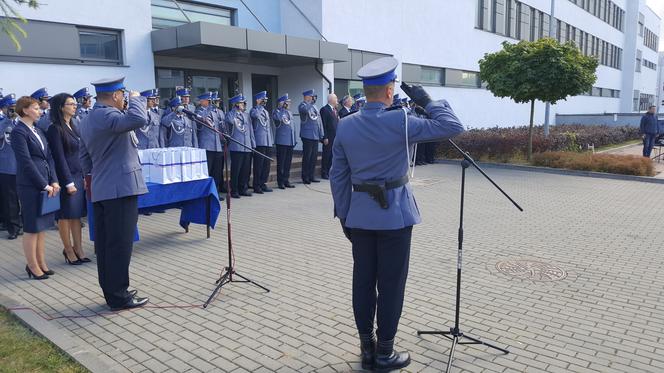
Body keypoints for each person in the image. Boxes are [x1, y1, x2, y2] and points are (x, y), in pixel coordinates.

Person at [330, 57, 464, 371]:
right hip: (395, 217)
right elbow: (453, 127)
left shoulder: (346, 124)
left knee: (362, 283)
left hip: (359, 217)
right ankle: (385, 352)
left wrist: (345, 215)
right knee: (391, 284)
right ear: (390, 91)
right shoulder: (401, 120)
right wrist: (428, 101)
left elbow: (337, 175)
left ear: (366, 90)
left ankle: (366, 349)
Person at [79, 77, 149, 310]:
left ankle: (114, 291)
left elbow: (84, 157)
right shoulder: (108, 115)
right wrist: (138, 99)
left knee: (108, 244)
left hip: (105, 187)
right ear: (117, 95)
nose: (125, 99)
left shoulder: (90, 118)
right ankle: (119, 297)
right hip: (119, 188)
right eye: (124, 95)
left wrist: (99, 175)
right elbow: (139, 118)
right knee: (119, 244)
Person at [11, 96, 61, 280]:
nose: (40, 111)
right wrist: (44, 184)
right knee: (32, 227)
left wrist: (54, 180)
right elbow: (25, 162)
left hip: (46, 182)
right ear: (25, 110)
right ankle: (32, 266)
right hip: (31, 185)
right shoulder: (18, 132)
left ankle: (41, 263)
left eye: (40, 108)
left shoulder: (38, 130)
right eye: (36, 108)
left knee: (42, 226)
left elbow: (49, 157)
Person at [45, 93, 90, 265]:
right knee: (64, 215)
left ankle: (79, 248)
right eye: (70, 104)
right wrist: (68, 182)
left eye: (74, 103)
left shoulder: (73, 124)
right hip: (66, 178)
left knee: (76, 215)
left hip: (78, 174)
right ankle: (69, 250)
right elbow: (59, 157)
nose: (74, 106)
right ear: (61, 107)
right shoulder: (55, 128)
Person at [0, 93, 22, 239]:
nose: (13, 111)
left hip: (23, 166)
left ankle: (24, 223)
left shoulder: (22, 122)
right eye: (11, 108)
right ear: (5, 108)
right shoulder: (3, 122)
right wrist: (8, 120)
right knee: (10, 200)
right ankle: (13, 228)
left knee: (23, 198)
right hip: (7, 166)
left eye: (15, 108)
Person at [196, 91, 225, 197]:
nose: (209, 102)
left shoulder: (215, 111)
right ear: (201, 101)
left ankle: (215, 192)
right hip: (207, 145)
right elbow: (200, 121)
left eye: (210, 101)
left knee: (217, 171)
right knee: (208, 170)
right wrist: (209, 108)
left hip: (217, 145)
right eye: (208, 101)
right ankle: (206, 193)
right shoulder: (199, 111)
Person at [225, 94, 255, 198]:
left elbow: (250, 130)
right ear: (237, 104)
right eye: (242, 103)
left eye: (243, 103)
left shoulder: (246, 115)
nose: (244, 105)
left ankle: (243, 188)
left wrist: (252, 144)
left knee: (245, 170)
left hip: (247, 146)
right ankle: (234, 190)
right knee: (236, 170)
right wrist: (235, 110)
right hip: (236, 146)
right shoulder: (230, 114)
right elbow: (229, 121)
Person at [250, 91, 274, 194]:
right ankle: (256, 185)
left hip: (267, 141)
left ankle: (263, 183)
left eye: (265, 100)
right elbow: (255, 116)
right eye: (263, 99)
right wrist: (259, 105)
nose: (265, 101)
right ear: (258, 100)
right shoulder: (254, 110)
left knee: (266, 165)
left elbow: (268, 127)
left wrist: (271, 140)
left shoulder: (265, 111)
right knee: (258, 165)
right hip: (259, 141)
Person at [299, 89, 325, 184]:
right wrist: (309, 102)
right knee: (307, 157)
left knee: (314, 157)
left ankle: (311, 175)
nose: (314, 98)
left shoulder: (314, 107)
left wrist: (321, 133)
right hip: (307, 135)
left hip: (315, 135)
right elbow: (305, 110)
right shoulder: (303, 105)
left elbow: (319, 121)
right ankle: (305, 176)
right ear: (307, 97)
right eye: (312, 96)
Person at [273, 94, 296, 189]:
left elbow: (292, 127)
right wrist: (282, 108)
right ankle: (280, 181)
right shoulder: (277, 111)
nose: (289, 104)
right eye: (287, 102)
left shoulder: (289, 112)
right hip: (282, 141)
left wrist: (294, 139)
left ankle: (286, 180)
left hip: (290, 141)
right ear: (282, 103)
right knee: (281, 163)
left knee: (287, 162)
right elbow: (278, 119)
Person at [320, 93, 339, 179]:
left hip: (335, 136)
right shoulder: (324, 109)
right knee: (326, 155)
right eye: (336, 98)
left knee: (332, 155)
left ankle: (329, 171)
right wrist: (325, 137)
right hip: (328, 137)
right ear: (331, 99)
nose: (337, 100)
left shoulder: (335, 110)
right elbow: (323, 124)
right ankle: (324, 173)